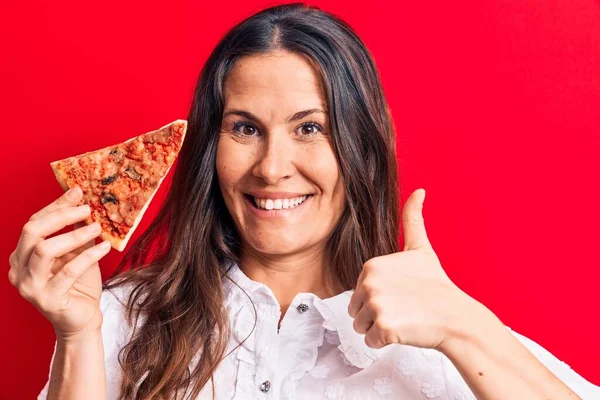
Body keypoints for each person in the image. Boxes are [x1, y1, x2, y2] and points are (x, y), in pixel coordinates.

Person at [9, 3, 599, 400]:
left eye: (309, 128)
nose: (271, 167)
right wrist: (78, 336)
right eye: (243, 128)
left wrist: (465, 329)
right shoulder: (118, 318)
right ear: (210, 146)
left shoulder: (440, 333)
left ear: (359, 146)